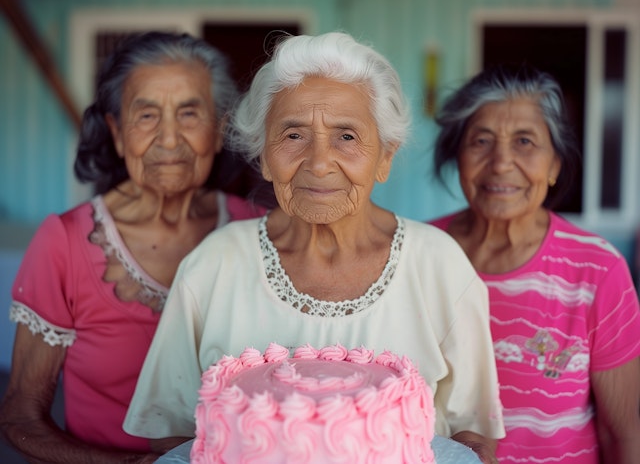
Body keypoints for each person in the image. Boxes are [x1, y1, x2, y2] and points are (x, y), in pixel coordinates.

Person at [123, 31, 505, 463]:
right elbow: (170, 434)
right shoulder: (214, 266)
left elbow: (473, 437)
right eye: (292, 135)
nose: (319, 162)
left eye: (346, 136)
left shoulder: (440, 267)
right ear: (264, 155)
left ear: (384, 156)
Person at [0, 31, 267, 464]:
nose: (168, 139)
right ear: (118, 133)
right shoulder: (65, 242)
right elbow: (20, 417)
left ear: (218, 131)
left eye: (189, 113)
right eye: (146, 116)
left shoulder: (256, 229)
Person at [429, 63, 640, 463]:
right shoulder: (419, 254)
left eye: (525, 141)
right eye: (481, 141)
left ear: (555, 164)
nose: (501, 162)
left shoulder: (597, 270)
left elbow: (622, 433)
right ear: (458, 156)